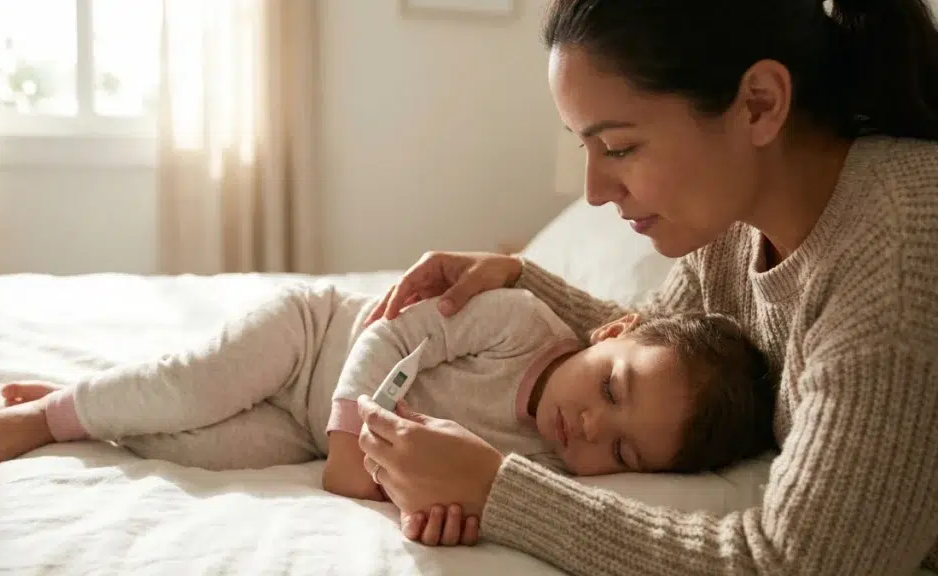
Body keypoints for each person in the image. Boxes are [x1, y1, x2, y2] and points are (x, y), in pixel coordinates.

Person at [356, 0, 938, 573]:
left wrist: (497, 492)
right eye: (583, 146)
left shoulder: (898, 262)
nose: (593, 189)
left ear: (759, 104)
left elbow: (792, 562)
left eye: (619, 149)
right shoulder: (737, 221)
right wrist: (519, 276)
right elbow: (650, 333)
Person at [0, 282, 773, 505]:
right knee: (191, 386)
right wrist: (351, 443)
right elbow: (391, 338)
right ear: (608, 334)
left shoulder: (550, 468)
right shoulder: (519, 322)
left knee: (199, 449)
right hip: (311, 341)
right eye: (612, 388)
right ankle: (50, 412)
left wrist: (439, 512)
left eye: (623, 451)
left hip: (307, 435)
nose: (590, 426)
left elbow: (453, 483)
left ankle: (86, 414)